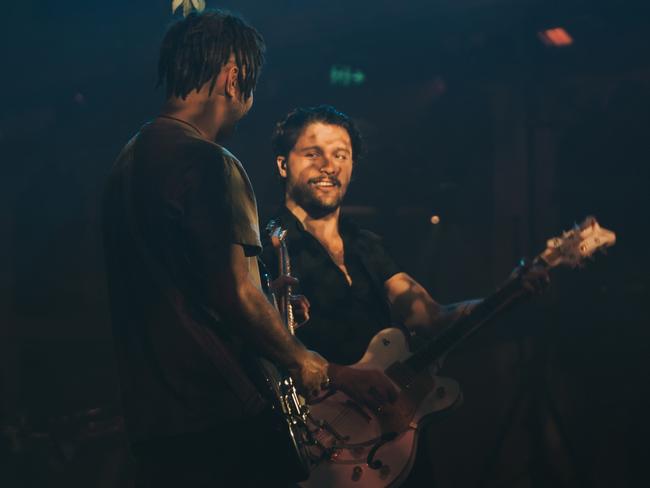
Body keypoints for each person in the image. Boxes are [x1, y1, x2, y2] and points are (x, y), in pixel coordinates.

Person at [261, 105, 549, 484]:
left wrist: (507, 294)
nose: (328, 165)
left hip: (387, 437)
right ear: (283, 165)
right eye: (313, 153)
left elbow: (431, 318)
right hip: (314, 443)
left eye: (341, 155)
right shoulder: (267, 245)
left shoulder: (365, 246)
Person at [102, 12, 328, 487]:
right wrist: (300, 357)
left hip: (153, 426)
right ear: (233, 77)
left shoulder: (125, 162)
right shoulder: (209, 161)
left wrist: (270, 300)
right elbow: (234, 293)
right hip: (224, 417)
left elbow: (183, 283)